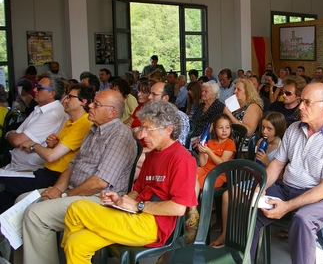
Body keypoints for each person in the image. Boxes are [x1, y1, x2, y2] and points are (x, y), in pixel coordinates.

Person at [61, 101, 198, 263]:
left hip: (152, 225)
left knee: (77, 208)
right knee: (76, 244)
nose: (141, 135)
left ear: (168, 130)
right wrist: (120, 201)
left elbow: (178, 208)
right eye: (142, 128)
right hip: (134, 216)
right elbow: (138, 190)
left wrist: (137, 206)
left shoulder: (182, 159)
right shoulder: (153, 155)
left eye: (148, 129)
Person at [22, 89, 137, 264]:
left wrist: (63, 195)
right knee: (23, 201)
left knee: (35, 214)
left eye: (96, 104)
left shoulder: (119, 135)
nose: (90, 105)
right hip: (76, 192)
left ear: (112, 113)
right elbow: (72, 166)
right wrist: (57, 189)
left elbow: (100, 182)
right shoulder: (94, 129)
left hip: (101, 200)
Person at [250, 83, 323, 264]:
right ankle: (246, 261)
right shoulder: (294, 128)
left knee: (302, 220)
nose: (300, 107)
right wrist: (261, 187)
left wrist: (287, 206)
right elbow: (276, 165)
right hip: (285, 188)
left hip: (318, 197)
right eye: (301, 101)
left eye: (307, 102)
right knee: (250, 207)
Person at [0, 84, 93, 213]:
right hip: (46, 171)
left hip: (54, 177)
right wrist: (52, 145)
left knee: (3, 185)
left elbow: (51, 156)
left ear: (83, 102)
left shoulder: (83, 123)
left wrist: (33, 145)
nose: (65, 100)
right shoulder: (71, 121)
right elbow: (58, 151)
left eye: (70, 97)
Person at [210, 111, 286, 247]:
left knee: (243, 200)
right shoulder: (260, 142)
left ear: (278, 130)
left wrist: (268, 162)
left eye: (269, 129)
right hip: (253, 179)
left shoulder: (281, 147)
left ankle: (242, 237)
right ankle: (225, 233)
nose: (264, 132)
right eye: (263, 127)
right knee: (228, 195)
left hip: (269, 185)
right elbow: (253, 165)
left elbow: (281, 176)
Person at [4, 75, 68, 172]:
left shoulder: (53, 113)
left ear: (51, 94)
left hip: (30, 170)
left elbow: (17, 140)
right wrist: (16, 136)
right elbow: (18, 136)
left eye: (39, 88)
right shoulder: (40, 108)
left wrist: (8, 134)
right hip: (16, 167)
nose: (34, 90)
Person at [196, 114, 236, 188]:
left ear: (230, 129)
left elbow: (222, 163)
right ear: (214, 129)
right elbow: (203, 164)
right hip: (205, 170)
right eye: (220, 127)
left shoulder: (230, 143)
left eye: (227, 127)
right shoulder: (210, 142)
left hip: (218, 174)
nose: (224, 130)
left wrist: (209, 152)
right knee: (190, 175)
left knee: (197, 184)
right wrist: (201, 147)